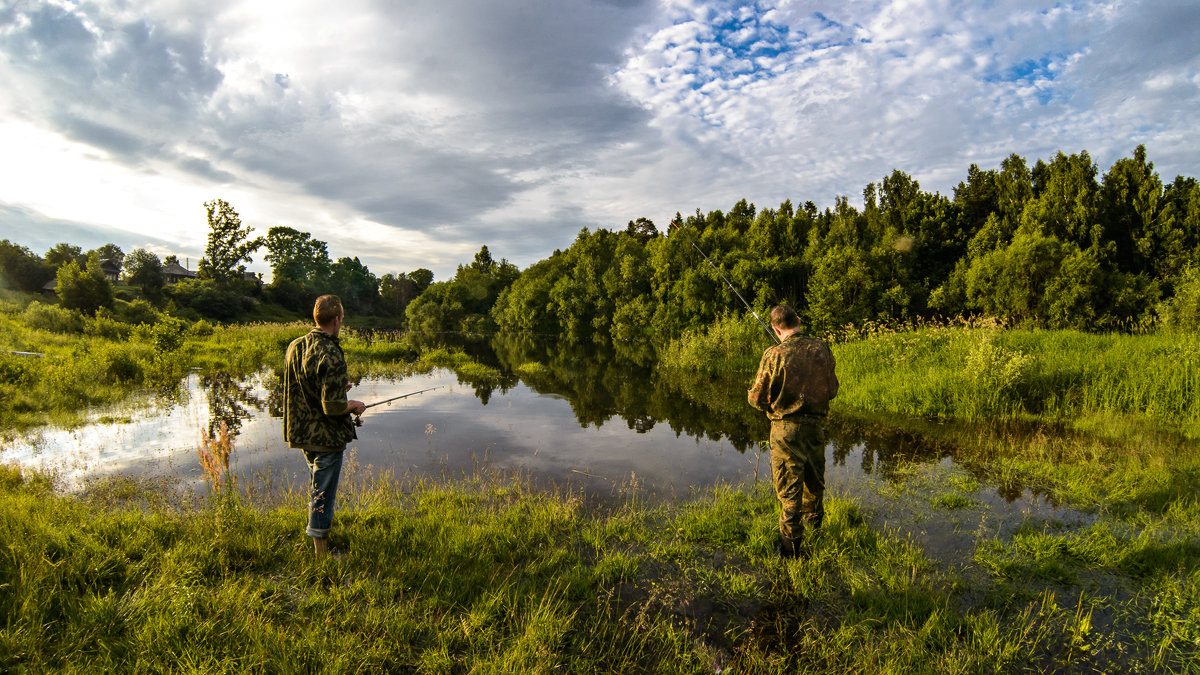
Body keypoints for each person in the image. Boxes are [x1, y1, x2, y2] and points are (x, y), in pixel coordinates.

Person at [747, 304, 838, 558]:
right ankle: (816, 535)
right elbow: (832, 390)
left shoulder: (773, 354)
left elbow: (756, 399)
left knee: (789, 492)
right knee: (814, 485)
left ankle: (792, 553)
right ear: (798, 320)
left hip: (785, 432)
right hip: (815, 429)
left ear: (776, 329)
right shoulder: (822, 348)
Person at [283, 294, 366, 559]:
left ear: (316, 317)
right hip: (325, 437)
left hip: (301, 431)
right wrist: (352, 404)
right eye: (342, 318)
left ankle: (319, 541)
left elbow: (308, 386)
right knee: (323, 493)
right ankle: (320, 555)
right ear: (338, 319)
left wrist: (338, 390)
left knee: (316, 485)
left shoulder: (295, 345)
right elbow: (332, 408)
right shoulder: (331, 352)